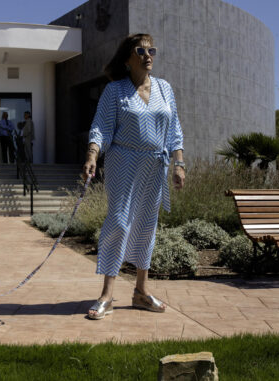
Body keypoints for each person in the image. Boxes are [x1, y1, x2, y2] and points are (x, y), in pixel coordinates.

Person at [82, 33, 185, 319]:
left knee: (146, 226)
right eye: (140, 50)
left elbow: (175, 128)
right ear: (127, 59)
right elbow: (101, 126)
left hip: (155, 165)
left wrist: (179, 163)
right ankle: (107, 294)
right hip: (123, 161)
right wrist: (92, 154)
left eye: (152, 49)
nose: (147, 55)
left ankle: (141, 291)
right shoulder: (115, 91)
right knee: (118, 222)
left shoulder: (165, 89)